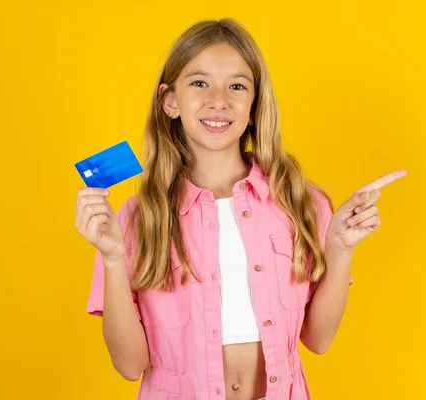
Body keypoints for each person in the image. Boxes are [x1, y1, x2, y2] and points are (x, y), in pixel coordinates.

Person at [75, 18, 406, 400]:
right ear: (170, 101)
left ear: (253, 105)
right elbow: (129, 366)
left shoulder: (303, 202)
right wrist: (114, 259)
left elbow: (318, 340)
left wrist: (340, 250)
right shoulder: (136, 218)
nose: (219, 99)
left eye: (236, 85)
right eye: (199, 83)